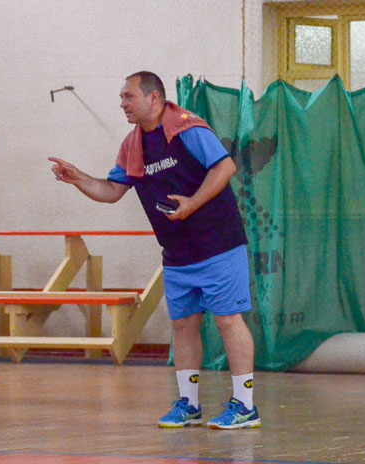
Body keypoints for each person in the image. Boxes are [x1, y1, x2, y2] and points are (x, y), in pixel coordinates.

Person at [49, 71, 260, 430]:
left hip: (218, 244)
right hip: (178, 253)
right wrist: (78, 178)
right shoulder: (133, 145)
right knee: (182, 325)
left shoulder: (186, 128)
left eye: (128, 97)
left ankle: (245, 405)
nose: (122, 104)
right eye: (121, 98)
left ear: (153, 98)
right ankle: (189, 405)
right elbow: (112, 191)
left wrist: (192, 203)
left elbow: (225, 166)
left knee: (227, 320)